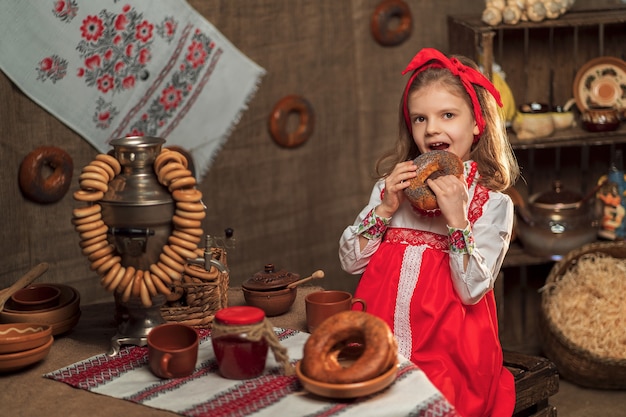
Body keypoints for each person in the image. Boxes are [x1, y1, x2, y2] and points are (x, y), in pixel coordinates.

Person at [339, 48, 519, 417]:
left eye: (447, 115)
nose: (432, 128)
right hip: (379, 343)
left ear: (476, 123)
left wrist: (457, 222)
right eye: (420, 118)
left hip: (453, 354)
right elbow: (350, 263)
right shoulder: (390, 191)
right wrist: (385, 209)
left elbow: (471, 292)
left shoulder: (491, 204)